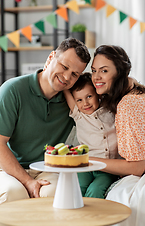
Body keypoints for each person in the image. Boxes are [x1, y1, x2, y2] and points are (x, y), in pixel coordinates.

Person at [0, 37, 91, 204]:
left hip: (46, 169)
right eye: (64, 67)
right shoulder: (12, 90)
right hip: (7, 169)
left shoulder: (73, 101)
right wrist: (27, 181)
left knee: (55, 195)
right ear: (51, 57)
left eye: (74, 74)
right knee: (14, 194)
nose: (66, 77)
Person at [89, 45, 145, 226]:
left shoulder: (129, 104)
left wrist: (88, 161)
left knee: (123, 201)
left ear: (120, 72)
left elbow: (136, 168)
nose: (96, 77)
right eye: (94, 70)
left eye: (104, 71)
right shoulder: (134, 91)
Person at [64, 72, 119, 199]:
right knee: (77, 186)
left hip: (107, 168)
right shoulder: (78, 114)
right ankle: (77, 215)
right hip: (86, 166)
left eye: (89, 96)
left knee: (95, 190)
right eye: (79, 100)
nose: (85, 103)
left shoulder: (110, 109)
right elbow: (66, 89)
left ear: (98, 95)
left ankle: (94, 217)